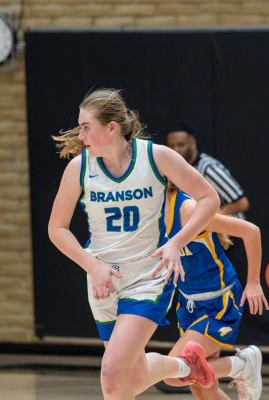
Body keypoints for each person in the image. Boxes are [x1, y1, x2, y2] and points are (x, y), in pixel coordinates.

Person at [48, 88, 221, 399]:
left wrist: (177, 241)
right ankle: (184, 367)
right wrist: (93, 266)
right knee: (131, 378)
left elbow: (210, 198)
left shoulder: (156, 157)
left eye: (86, 127)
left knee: (111, 375)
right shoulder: (80, 168)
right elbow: (57, 228)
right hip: (103, 280)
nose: (80, 134)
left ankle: (184, 367)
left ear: (112, 127)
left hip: (147, 277)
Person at [164, 123, 269, 377]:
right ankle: (192, 362)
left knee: (245, 301)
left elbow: (241, 202)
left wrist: (205, 221)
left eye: (182, 144)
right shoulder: (169, 184)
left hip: (227, 241)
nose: (177, 149)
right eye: (173, 145)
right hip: (197, 246)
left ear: (193, 143)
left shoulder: (209, 169)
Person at [162, 184, 269, 400]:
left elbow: (251, 231)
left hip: (218, 300)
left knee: (173, 373)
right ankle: (239, 366)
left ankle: (242, 365)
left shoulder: (187, 209)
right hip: (188, 304)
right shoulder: (146, 215)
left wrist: (254, 282)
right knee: (203, 388)